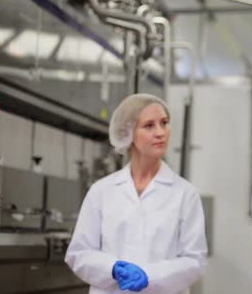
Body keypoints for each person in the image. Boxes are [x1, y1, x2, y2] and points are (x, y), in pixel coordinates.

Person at [65, 93, 207, 294]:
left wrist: (150, 275)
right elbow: (79, 253)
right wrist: (112, 269)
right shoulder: (102, 191)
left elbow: (195, 260)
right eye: (149, 125)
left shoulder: (185, 194)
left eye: (164, 123)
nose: (161, 132)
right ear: (128, 133)